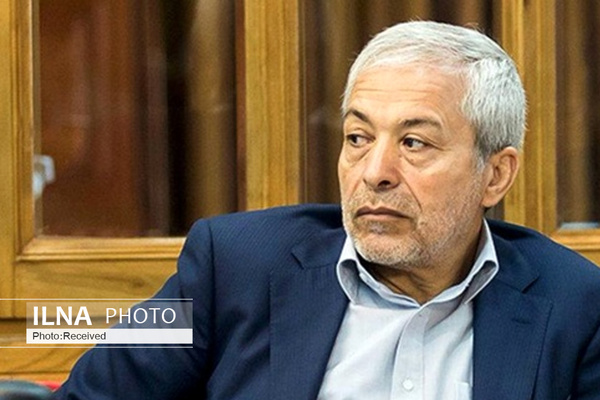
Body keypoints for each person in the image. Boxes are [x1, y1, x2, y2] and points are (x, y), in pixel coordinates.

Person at [54, 21, 600, 400]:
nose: (375, 171)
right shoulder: (230, 268)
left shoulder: (575, 307)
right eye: (358, 138)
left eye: (414, 143)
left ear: (496, 174)